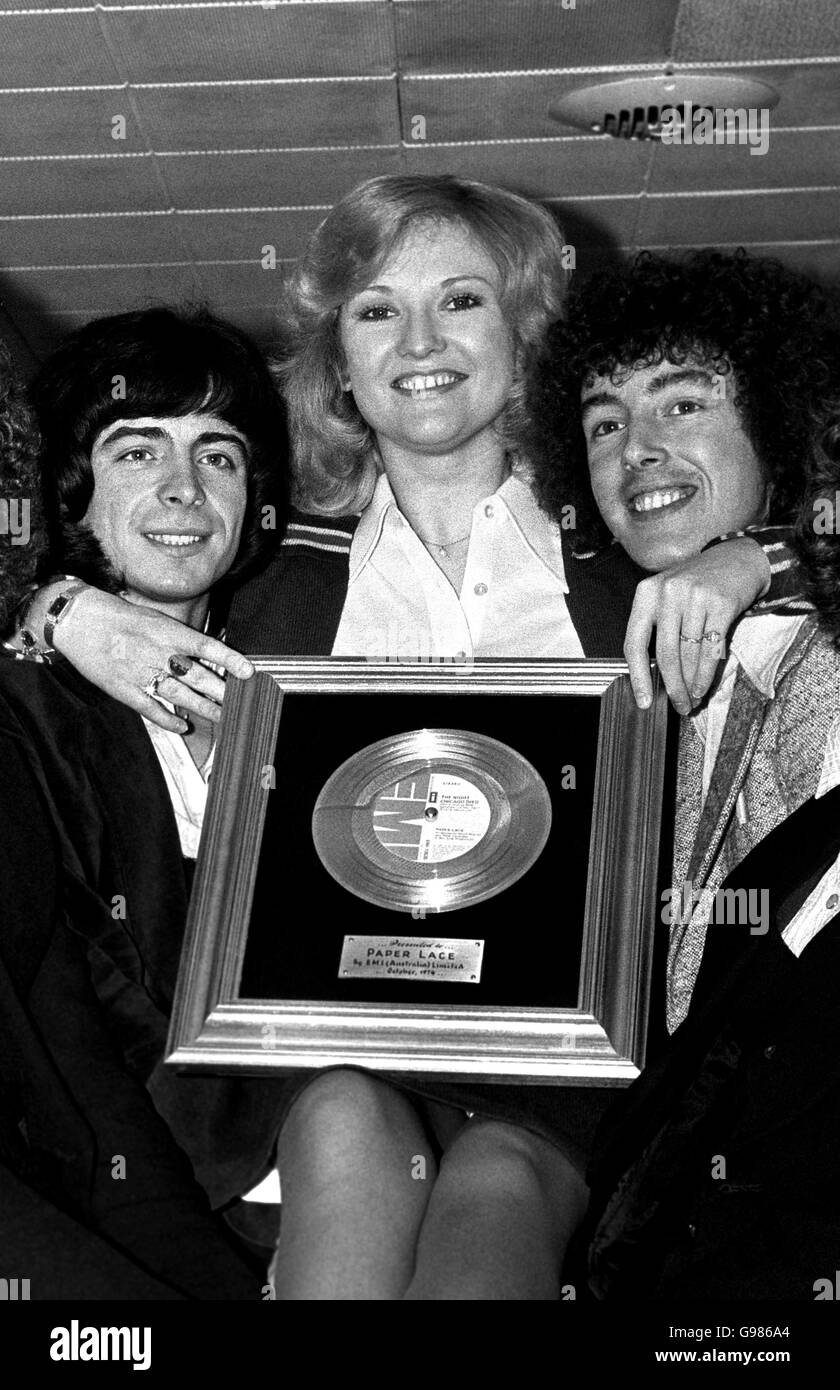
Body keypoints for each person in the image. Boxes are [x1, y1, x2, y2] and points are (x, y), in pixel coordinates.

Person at [11, 183, 810, 1299]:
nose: (421, 342)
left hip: (564, 1073)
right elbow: (108, 551)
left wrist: (755, 559)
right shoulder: (268, 579)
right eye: (378, 310)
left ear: (527, 336)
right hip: (329, 1060)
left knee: (495, 1196)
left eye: (463, 300)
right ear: (340, 357)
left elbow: (787, 541)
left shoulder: (632, 556)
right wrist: (56, 606)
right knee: (347, 1133)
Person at [531, 250, 840, 1299]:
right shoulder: (646, 698)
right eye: (606, 421)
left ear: (781, 420)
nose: (638, 449)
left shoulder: (822, 633)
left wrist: (770, 555)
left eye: (685, 402)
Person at [0, 327, 268, 1299]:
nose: (185, 488)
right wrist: (53, 611)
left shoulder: (300, 692)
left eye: (220, 454)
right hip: (132, 1220)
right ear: (72, 487)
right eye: (137, 448)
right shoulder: (24, 705)